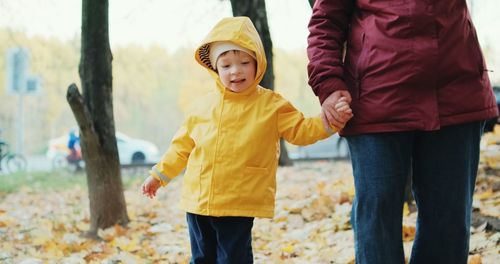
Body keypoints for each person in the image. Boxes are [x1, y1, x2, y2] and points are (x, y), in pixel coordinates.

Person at [141, 16, 352, 263]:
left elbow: (301, 130)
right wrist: (158, 176)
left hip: (238, 200)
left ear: (257, 64)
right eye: (226, 65)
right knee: (201, 258)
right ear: (215, 69)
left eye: (244, 62)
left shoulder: (271, 105)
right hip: (198, 201)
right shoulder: (202, 107)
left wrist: (329, 122)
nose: (236, 71)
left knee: (233, 258)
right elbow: (180, 148)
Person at [307, 1, 499, 264]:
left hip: (456, 92)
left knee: (448, 218)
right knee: (378, 212)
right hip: (376, 96)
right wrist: (327, 83)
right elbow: (326, 21)